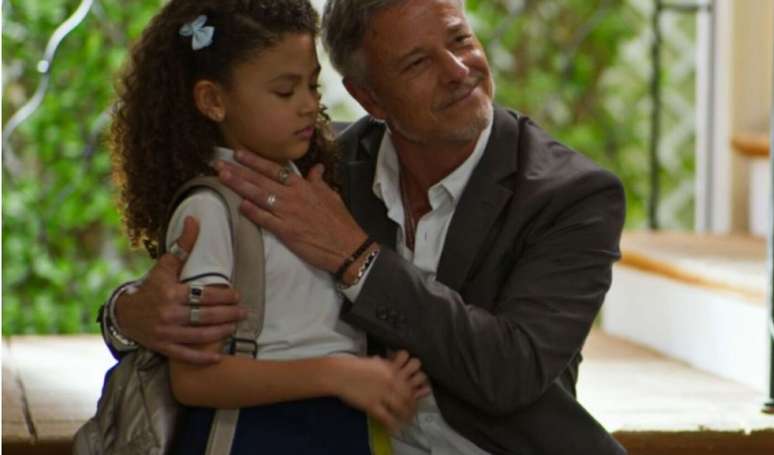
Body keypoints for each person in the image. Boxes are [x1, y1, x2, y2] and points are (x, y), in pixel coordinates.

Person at [102, 0, 628, 453]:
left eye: (460, 40)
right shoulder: (319, 170)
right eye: (418, 62)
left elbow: (509, 371)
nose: (457, 70)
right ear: (369, 97)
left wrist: (358, 258)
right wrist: (128, 314)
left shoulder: (572, 196)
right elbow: (207, 289)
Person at [105, 0, 430, 453]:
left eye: (312, 86)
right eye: (284, 91)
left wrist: (381, 374)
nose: (310, 106)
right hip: (258, 435)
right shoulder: (210, 211)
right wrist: (339, 373)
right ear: (213, 101)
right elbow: (196, 380)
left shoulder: (313, 184)